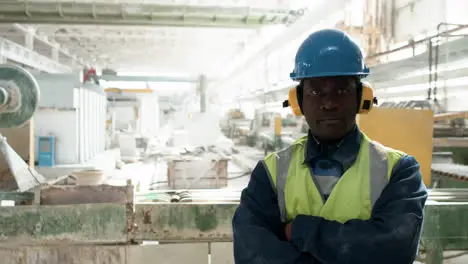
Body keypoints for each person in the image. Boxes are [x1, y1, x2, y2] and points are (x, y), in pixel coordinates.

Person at [232, 28, 428, 264]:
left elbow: (395, 249)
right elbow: (251, 253)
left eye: (342, 90)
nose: (329, 103)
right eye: (316, 91)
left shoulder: (399, 171)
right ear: (298, 102)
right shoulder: (271, 173)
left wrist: (301, 231)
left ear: (361, 98)